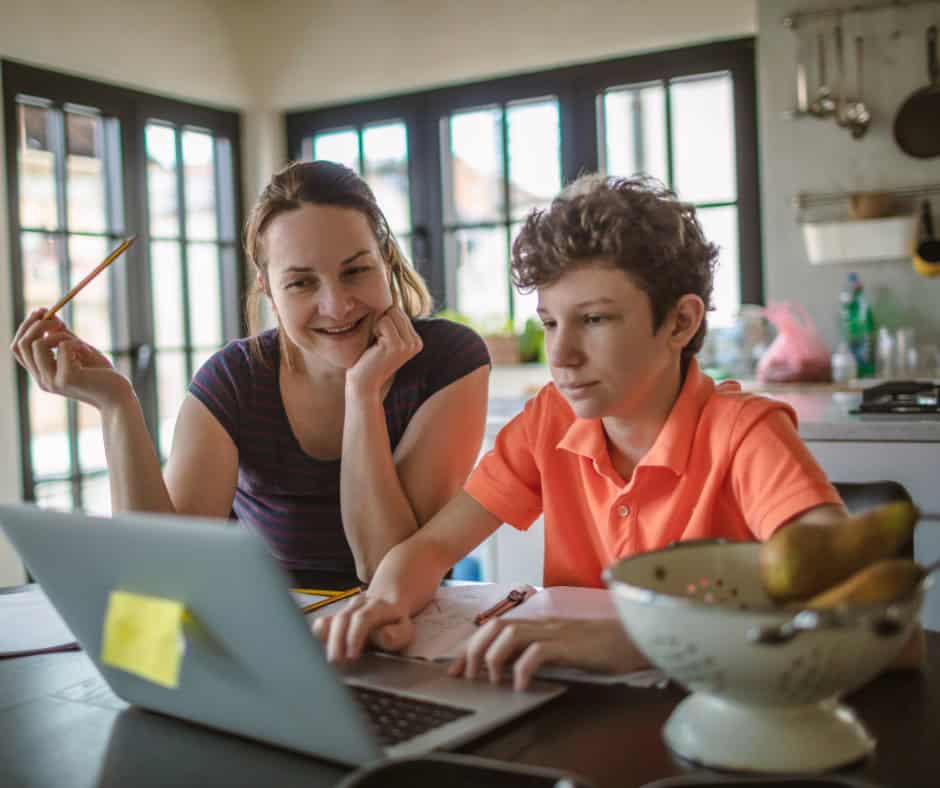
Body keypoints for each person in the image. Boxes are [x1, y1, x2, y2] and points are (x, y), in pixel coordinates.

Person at [314, 173, 923, 688]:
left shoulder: (745, 434)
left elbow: (879, 628)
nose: (563, 355)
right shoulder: (548, 420)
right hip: (573, 704)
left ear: (680, 322)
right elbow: (433, 548)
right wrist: (388, 599)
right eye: (550, 323)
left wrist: (639, 640)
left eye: (596, 320)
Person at [10, 160, 491, 587]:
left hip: (408, 636)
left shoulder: (449, 361)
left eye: (355, 271)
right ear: (267, 289)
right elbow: (158, 572)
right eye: (302, 282)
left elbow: (381, 566)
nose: (337, 305)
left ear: (386, 262)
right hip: (269, 641)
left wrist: (361, 394)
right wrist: (116, 404)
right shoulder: (234, 379)